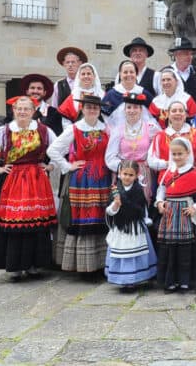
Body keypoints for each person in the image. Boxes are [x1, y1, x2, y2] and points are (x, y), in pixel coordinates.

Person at [0, 96, 58, 280]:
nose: (22, 112)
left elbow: (59, 148)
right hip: (13, 180)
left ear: (33, 111)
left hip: (37, 179)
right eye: (19, 108)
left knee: (36, 221)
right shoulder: (4, 130)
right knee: (16, 220)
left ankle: (34, 264)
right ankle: (14, 264)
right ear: (13, 110)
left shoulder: (44, 130)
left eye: (26, 109)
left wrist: (52, 164)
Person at [47, 95, 111, 274]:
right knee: (83, 218)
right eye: (89, 107)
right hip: (82, 179)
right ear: (82, 109)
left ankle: (101, 263)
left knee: (101, 216)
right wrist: (68, 166)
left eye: (95, 107)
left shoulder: (106, 128)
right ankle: (83, 264)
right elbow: (52, 150)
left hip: (103, 177)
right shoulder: (74, 129)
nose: (92, 110)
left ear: (99, 110)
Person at [155, 137, 196, 292]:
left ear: (187, 153)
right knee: (169, 248)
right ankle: (170, 280)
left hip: (183, 213)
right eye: (174, 154)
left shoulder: (191, 172)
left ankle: (185, 281)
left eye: (180, 154)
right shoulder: (169, 170)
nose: (176, 157)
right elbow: (161, 188)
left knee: (184, 249)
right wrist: (160, 202)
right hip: (169, 214)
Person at [105, 161, 158, 292]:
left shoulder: (139, 190)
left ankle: (134, 279)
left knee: (136, 253)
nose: (127, 177)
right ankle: (124, 280)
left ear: (136, 176)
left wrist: (143, 218)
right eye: (125, 174)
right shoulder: (115, 190)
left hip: (135, 227)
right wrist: (116, 205)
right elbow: (109, 211)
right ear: (119, 174)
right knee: (122, 253)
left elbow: (142, 208)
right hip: (121, 227)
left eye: (131, 175)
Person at [105, 92, 161, 203]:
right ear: (124, 110)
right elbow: (110, 157)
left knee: (142, 203)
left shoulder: (151, 128)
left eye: (135, 107)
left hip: (143, 172)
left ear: (141, 110)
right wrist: (123, 168)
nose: (132, 110)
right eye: (129, 107)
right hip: (123, 173)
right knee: (124, 204)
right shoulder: (117, 130)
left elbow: (158, 149)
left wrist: (150, 162)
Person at [101, 60, 155, 128]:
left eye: (131, 72)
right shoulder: (111, 94)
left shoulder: (144, 93)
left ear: (136, 74)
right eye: (125, 72)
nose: (129, 74)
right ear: (120, 74)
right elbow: (104, 117)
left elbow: (152, 117)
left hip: (140, 134)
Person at [57, 62, 105, 129]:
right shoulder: (73, 96)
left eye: (89, 74)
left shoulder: (102, 95)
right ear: (79, 77)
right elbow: (65, 121)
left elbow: (107, 119)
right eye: (83, 74)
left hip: (99, 133)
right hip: (77, 134)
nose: (86, 76)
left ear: (94, 76)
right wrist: (74, 132)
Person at [169, 37, 196, 106]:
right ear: (176, 55)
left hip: (193, 115)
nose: (190, 57)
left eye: (191, 54)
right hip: (173, 114)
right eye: (186, 54)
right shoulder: (167, 72)